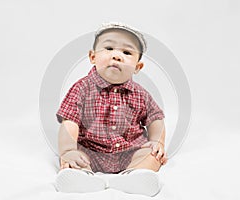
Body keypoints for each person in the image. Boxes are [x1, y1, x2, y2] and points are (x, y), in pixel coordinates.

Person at [55, 22, 167, 196]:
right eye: (108, 48)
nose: (116, 56)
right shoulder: (81, 89)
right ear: (92, 57)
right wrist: (68, 150)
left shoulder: (141, 94)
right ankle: (80, 177)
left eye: (127, 52)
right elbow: (70, 122)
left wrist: (157, 142)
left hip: (130, 151)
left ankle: (135, 176)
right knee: (75, 158)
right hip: (90, 151)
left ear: (137, 67)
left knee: (151, 155)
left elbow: (155, 118)